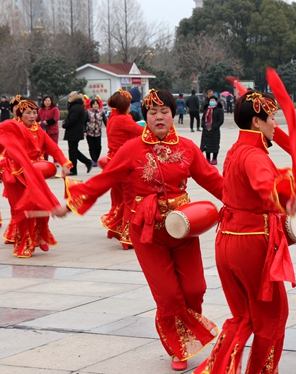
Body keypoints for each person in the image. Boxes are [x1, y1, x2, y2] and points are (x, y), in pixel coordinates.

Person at [56, 89, 223, 371]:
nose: (159, 117)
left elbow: (214, 181)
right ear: (145, 117)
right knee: (168, 295)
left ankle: (189, 334)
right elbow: (106, 178)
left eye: (164, 111)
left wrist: (247, 202)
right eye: (152, 112)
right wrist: (72, 203)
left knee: (195, 289)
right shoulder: (132, 150)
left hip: (183, 229)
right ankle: (178, 347)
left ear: (173, 114)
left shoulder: (187, 148)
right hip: (148, 232)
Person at [195, 90, 296, 374]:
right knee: (272, 316)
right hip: (251, 244)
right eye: (272, 118)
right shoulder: (254, 155)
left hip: (227, 240)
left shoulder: (236, 150)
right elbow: (268, 188)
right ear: (256, 121)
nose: (275, 124)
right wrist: (291, 197)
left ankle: (215, 370)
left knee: (243, 317)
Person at [1, 99, 71, 258]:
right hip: (15, 174)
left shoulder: (38, 130)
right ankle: (24, 243)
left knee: (43, 207)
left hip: (35, 173)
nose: (32, 116)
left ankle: (39, 236)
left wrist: (64, 163)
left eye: (34, 113)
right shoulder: (12, 128)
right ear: (20, 114)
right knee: (22, 210)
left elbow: (53, 148)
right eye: (28, 113)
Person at [103, 89, 144, 249]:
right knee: (129, 199)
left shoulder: (112, 118)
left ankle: (114, 230)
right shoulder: (123, 119)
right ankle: (128, 237)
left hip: (112, 161)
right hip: (123, 163)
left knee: (118, 198)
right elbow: (142, 132)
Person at [63, 91, 93, 176]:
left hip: (74, 131)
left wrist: (65, 124)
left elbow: (73, 119)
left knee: (73, 151)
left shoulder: (75, 107)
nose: (69, 98)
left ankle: (75, 169)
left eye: (70, 96)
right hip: (75, 131)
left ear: (74, 97)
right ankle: (87, 162)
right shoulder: (78, 105)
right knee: (74, 150)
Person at [200, 96, 224, 165]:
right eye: (211, 100)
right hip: (206, 130)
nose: (212, 102)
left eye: (213, 100)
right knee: (206, 144)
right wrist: (203, 125)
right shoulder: (207, 109)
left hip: (214, 130)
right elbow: (203, 118)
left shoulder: (219, 110)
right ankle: (207, 158)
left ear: (216, 101)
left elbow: (221, 120)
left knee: (214, 144)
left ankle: (214, 158)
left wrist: (214, 126)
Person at [36, 95, 60, 163]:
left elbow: (56, 118)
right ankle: (45, 161)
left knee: (54, 146)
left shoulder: (55, 109)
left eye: (48, 101)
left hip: (53, 131)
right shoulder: (41, 109)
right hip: (43, 131)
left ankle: (56, 161)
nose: (47, 102)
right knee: (44, 147)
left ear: (51, 101)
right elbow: (37, 119)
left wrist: (47, 122)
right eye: (45, 101)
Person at [86, 99, 107, 167]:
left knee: (98, 147)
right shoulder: (87, 112)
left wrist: (109, 128)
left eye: (96, 104)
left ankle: (96, 158)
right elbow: (83, 122)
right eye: (94, 104)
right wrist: (84, 131)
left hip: (98, 133)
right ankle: (94, 160)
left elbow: (106, 122)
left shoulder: (101, 113)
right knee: (91, 147)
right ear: (91, 105)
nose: (95, 105)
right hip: (89, 133)